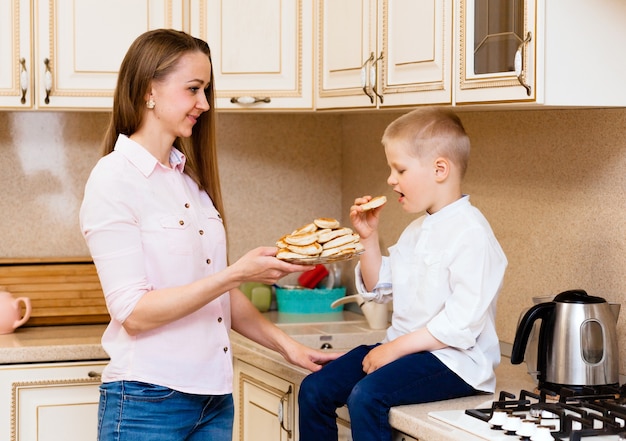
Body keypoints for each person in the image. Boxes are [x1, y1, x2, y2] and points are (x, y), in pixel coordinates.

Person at [79, 29, 339, 441]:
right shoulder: (114, 179)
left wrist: (287, 346)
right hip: (147, 401)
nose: (205, 103)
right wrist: (237, 273)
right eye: (194, 89)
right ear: (150, 90)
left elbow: (216, 294)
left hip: (214, 400)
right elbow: (134, 313)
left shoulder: (189, 183)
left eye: (207, 90)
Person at [298, 107, 508, 441]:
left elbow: (460, 324)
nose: (391, 179)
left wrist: (393, 350)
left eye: (400, 169)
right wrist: (367, 237)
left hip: (455, 364)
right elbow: (379, 287)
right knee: (314, 390)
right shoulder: (416, 229)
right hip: (405, 351)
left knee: (367, 397)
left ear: (440, 169)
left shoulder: (472, 234)